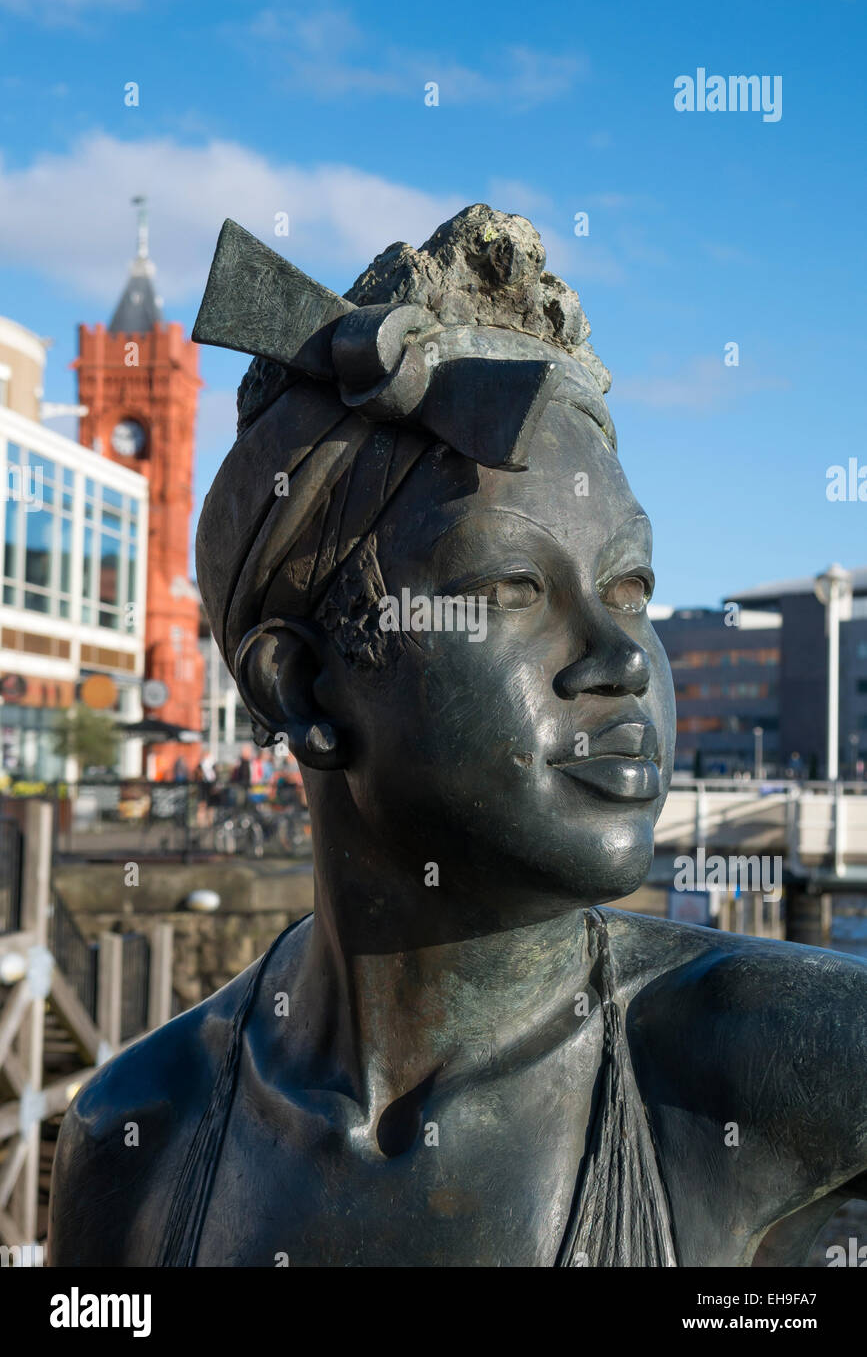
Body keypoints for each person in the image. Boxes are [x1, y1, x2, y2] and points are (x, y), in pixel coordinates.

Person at [50, 205, 867, 1268]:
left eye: (632, 585)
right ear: (301, 686)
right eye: (514, 586)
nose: (623, 654)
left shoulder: (799, 1084)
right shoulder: (138, 1135)